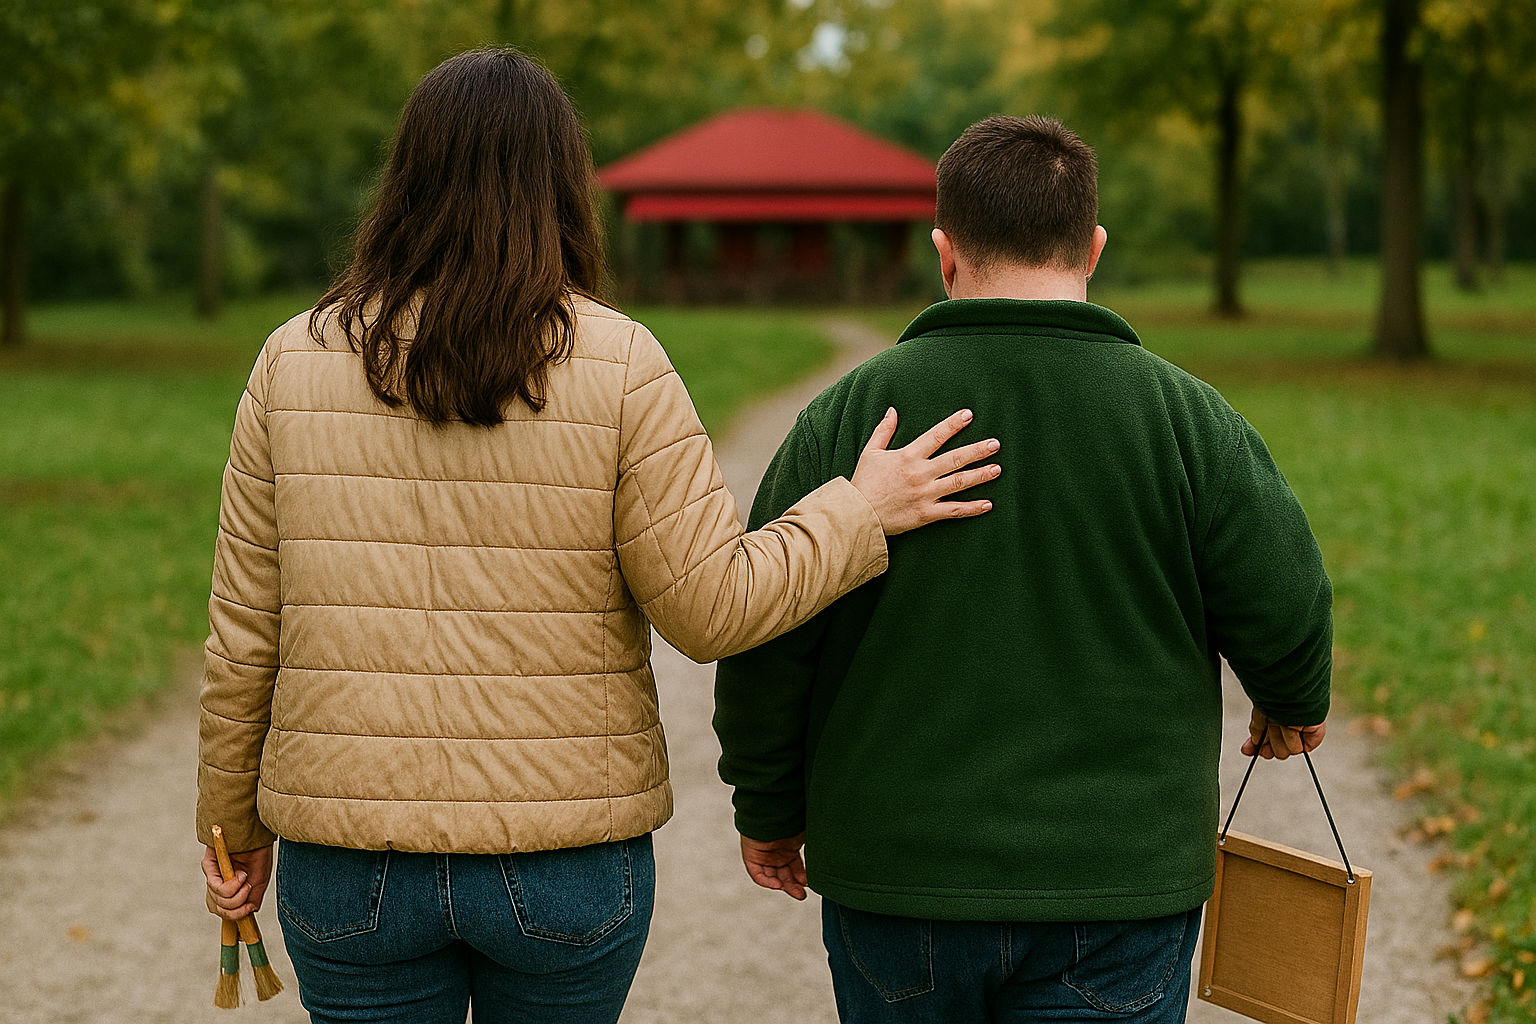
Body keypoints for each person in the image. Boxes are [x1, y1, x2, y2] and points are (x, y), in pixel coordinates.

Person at [195, 49, 1002, 1024]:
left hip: (349, 867)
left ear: (404, 177)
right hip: (565, 866)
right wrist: (859, 508)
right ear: (561, 188)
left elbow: (244, 635)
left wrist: (231, 826)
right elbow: (713, 608)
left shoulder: (293, 359)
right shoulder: (621, 363)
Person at [713, 115, 1332, 1024]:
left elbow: (772, 630)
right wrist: (1293, 699)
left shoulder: (849, 417)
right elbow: (1285, 595)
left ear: (944, 251)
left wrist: (768, 803)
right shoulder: (1186, 418)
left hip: (899, 882)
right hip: (1119, 888)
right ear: (1092, 247)